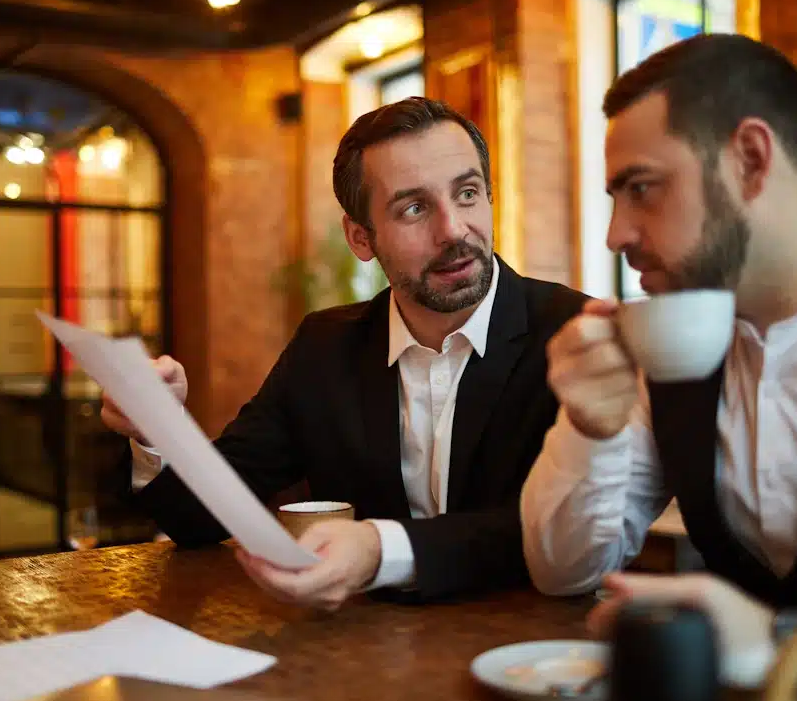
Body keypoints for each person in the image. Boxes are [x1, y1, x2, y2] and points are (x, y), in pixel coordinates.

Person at [520, 34, 797, 688]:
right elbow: (562, 571)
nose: (615, 233)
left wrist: (783, 643)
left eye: (642, 188)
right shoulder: (673, 353)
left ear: (752, 159)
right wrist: (589, 430)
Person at [104, 97, 589, 609]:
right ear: (361, 237)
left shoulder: (575, 335)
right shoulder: (325, 348)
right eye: (414, 208)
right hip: (365, 660)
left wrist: (381, 551)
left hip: (536, 656)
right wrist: (155, 426)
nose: (453, 230)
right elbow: (199, 516)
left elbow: (560, 533)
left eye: (467, 194)